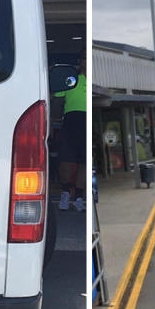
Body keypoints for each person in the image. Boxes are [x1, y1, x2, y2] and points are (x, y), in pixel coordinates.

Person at [54, 50, 87, 212]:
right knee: (66, 160)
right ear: (80, 61)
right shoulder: (71, 79)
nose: (87, 61)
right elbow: (57, 100)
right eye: (84, 58)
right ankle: (66, 192)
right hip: (71, 121)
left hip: (87, 122)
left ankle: (79, 197)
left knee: (84, 162)